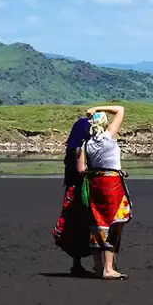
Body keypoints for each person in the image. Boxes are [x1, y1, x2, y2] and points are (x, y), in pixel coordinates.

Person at [78, 105, 132, 280]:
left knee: (97, 222)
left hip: (96, 184)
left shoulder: (86, 144)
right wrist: (97, 108)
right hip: (112, 183)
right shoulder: (108, 137)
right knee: (113, 222)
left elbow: (80, 170)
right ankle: (108, 268)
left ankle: (98, 266)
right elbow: (120, 110)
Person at [51, 116, 94, 276]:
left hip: (71, 190)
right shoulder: (80, 150)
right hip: (81, 191)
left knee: (74, 226)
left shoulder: (71, 150)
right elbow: (81, 171)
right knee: (85, 225)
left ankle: (77, 264)